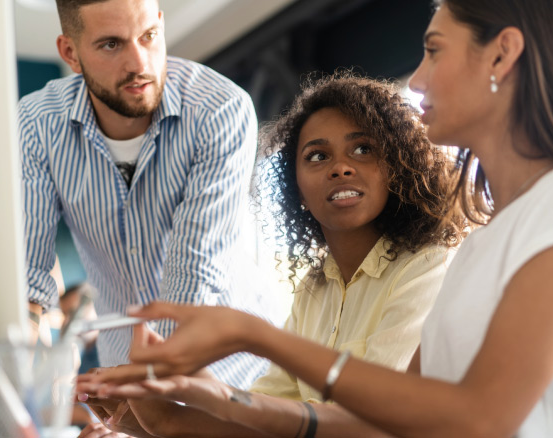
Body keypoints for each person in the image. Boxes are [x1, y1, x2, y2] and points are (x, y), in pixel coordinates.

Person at [87, 0, 553, 436]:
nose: (416, 79)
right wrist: (186, 404)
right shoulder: (487, 244)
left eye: (434, 50)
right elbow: (385, 425)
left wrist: (255, 335)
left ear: (502, 54)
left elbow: (480, 420)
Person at [75, 74, 467, 437]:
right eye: (317, 156)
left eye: (363, 149)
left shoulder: (428, 267)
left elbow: (374, 421)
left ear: (396, 166)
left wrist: (170, 418)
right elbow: (267, 418)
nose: (341, 168)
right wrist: (142, 423)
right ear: (295, 188)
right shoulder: (314, 289)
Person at [20, 0, 272, 389]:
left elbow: (194, 273)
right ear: (70, 53)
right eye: (111, 45)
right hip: (126, 370)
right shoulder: (37, 126)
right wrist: (8, 400)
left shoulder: (220, 109)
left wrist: (141, 394)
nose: (139, 63)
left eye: (149, 36)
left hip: (239, 371)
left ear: (161, 25)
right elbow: (29, 282)